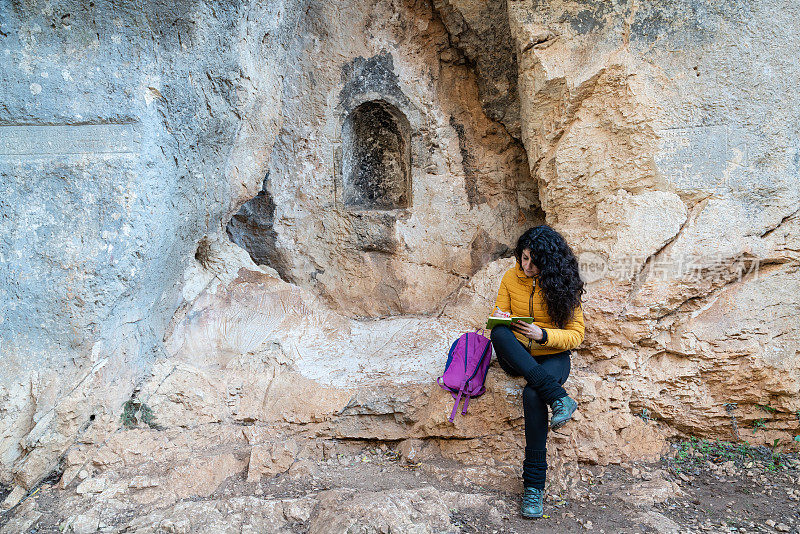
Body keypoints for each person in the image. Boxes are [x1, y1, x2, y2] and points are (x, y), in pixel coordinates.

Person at [489, 224, 585, 519]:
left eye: (533, 261)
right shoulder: (510, 276)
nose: (526, 265)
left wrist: (542, 335)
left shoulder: (563, 283)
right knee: (498, 334)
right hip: (517, 355)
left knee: (533, 395)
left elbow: (576, 334)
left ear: (549, 262)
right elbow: (499, 314)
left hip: (552, 356)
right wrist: (502, 318)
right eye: (523, 258)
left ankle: (533, 489)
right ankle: (559, 397)